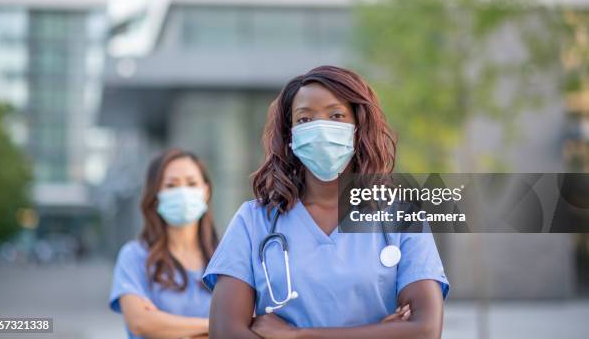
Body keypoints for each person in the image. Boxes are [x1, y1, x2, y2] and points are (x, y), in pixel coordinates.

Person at [204, 66, 449, 338]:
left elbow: (424, 331)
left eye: (336, 116)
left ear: (359, 126)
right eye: (305, 120)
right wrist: (383, 332)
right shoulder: (253, 221)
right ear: (290, 135)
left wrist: (298, 335)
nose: (321, 129)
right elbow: (226, 332)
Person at [110, 148, 219, 339]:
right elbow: (140, 322)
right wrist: (218, 325)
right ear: (155, 194)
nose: (183, 192)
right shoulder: (134, 256)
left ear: (206, 191)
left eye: (192, 183)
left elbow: (249, 322)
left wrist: (165, 325)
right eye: (171, 185)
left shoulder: (226, 256)